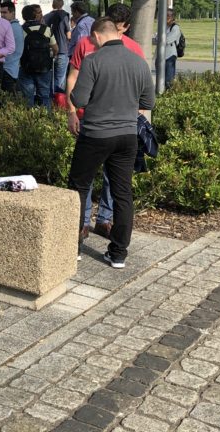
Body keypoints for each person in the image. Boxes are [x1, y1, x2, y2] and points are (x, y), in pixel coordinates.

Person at [67, 16, 155, 269]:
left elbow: (79, 99)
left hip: (95, 134)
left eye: (92, 39)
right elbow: (148, 102)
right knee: (122, 192)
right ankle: (118, 254)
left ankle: (72, 248)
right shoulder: (138, 62)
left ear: (97, 35)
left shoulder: (93, 60)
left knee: (79, 187)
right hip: (127, 136)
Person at [17, 4, 57, 108]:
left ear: (23, 16)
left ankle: (28, 117)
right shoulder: (46, 29)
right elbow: (56, 49)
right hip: (44, 68)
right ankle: (45, 116)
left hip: (26, 68)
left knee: (27, 98)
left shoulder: (21, 30)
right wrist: (50, 57)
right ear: (35, 15)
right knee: (44, 96)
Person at [44, 0, 70, 92]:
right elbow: (68, 34)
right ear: (62, 5)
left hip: (48, 52)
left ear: (52, 5)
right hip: (62, 51)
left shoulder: (45, 17)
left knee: (48, 78)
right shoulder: (64, 16)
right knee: (59, 79)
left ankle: (49, 97)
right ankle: (57, 99)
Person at [0, 1, 25, 93]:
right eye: (1, 12)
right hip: (12, 70)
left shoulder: (11, 27)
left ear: (12, 13)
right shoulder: (16, 26)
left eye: (5, 12)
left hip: (7, 70)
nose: (2, 15)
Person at [164, 8, 183, 89]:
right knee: (161, 79)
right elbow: (155, 40)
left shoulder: (175, 28)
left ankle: (169, 93)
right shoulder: (163, 27)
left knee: (169, 80)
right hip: (161, 56)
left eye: (168, 16)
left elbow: (168, 40)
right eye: (165, 15)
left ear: (172, 17)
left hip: (170, 56)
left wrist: (159, 39)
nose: (166, 17)